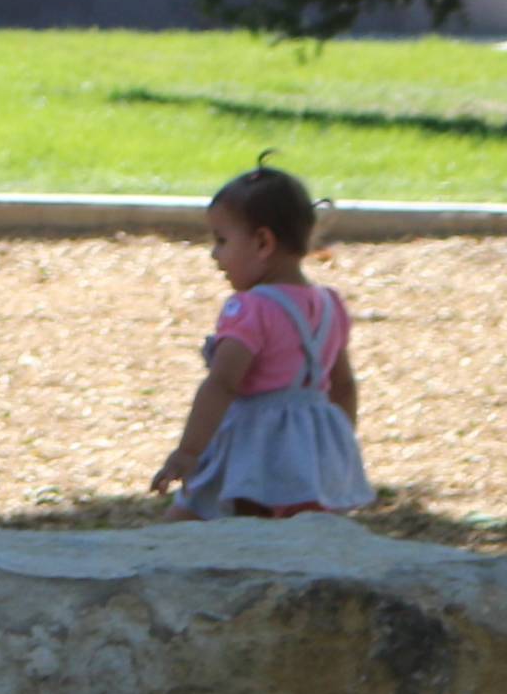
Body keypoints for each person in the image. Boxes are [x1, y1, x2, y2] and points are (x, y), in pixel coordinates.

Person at [150, 163, 374, 519]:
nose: (215, 256)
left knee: (188, 525)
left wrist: (189, 451)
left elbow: (223, 382)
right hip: (309, 460)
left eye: (222, 241)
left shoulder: (251, 308)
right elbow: (343, 385)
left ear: (263, 242)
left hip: (254, 450)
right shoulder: (330, 304)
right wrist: (337, 450)